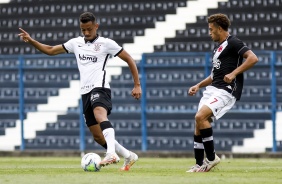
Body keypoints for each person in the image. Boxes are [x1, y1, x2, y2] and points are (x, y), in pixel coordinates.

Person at [18, 12, 142, 171]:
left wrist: (137, 84)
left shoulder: (106, 43)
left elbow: (129, 59)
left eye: (89, 29)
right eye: (83, 30)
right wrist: (32, 41)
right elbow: (50, 50)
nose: (86, 32)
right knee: (97, 135)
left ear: (96, 26)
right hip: (85, 92)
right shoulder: (75, 43)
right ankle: (129, 155)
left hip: (100, 87)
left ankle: (111, 153)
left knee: (100, 114)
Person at [187, 13, 258, 172]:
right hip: (212, 89)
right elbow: (214, 75)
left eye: (211, 29)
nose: (209, 32)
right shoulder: (217, 48)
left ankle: (211, 158)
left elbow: (253, 58)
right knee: (198, 122)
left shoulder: (233, 42)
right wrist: (198, 85)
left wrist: (234, 74)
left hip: (226, 89)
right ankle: (199, 165)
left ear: (220, 28)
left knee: (200, 116)